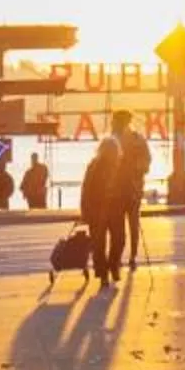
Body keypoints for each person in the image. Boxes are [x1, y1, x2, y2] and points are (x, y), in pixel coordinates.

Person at [80, 136, 130, 283]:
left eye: (114, 150)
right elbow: (87, 188)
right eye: (110, 150)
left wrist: (128, 201)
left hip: (115, 209)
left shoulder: (120, 166)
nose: (113, 154)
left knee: (119, 240)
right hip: (98, 209)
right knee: (99, 243)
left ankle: (112, 266)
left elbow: (126, 186)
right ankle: (103, 273)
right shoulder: (94, 166)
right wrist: (85, 209)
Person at [110, 108, 152, 267]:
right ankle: (129, 257)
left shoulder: (119, 140)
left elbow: (146, 161)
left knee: (123, 226)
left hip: (125, 190)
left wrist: (136, 170)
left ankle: (128, 256)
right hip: (128, 189)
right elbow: (147, 161)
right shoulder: (136, 139)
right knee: (128, 225)